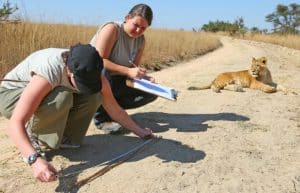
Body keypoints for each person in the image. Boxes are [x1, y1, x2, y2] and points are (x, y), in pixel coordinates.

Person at [0, 44, 154, 182]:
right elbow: (15, 122)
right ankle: (33, 136)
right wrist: (34, 160)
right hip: (10, 96)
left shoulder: (92, 72)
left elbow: (115, 109)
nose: (84, 87)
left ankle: (65, 138)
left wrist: (141, 132)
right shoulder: (49, 71)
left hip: (45, 94)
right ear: (69, 70)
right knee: (62, 97)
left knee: (94, 95)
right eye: (81, 83)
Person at [90, 3, 157, 132]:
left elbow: (133, 67)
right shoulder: (112, 29)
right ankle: (102, 118)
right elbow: (99, 60)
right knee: (105, 74)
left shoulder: (141, 40)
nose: (138, 31)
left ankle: (114, 112)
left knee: (151, 93)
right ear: (127, 17)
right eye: (136, 25)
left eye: (143, 28)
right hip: (96, 77)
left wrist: (144, 77)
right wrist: (128, 71)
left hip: (116, 79)